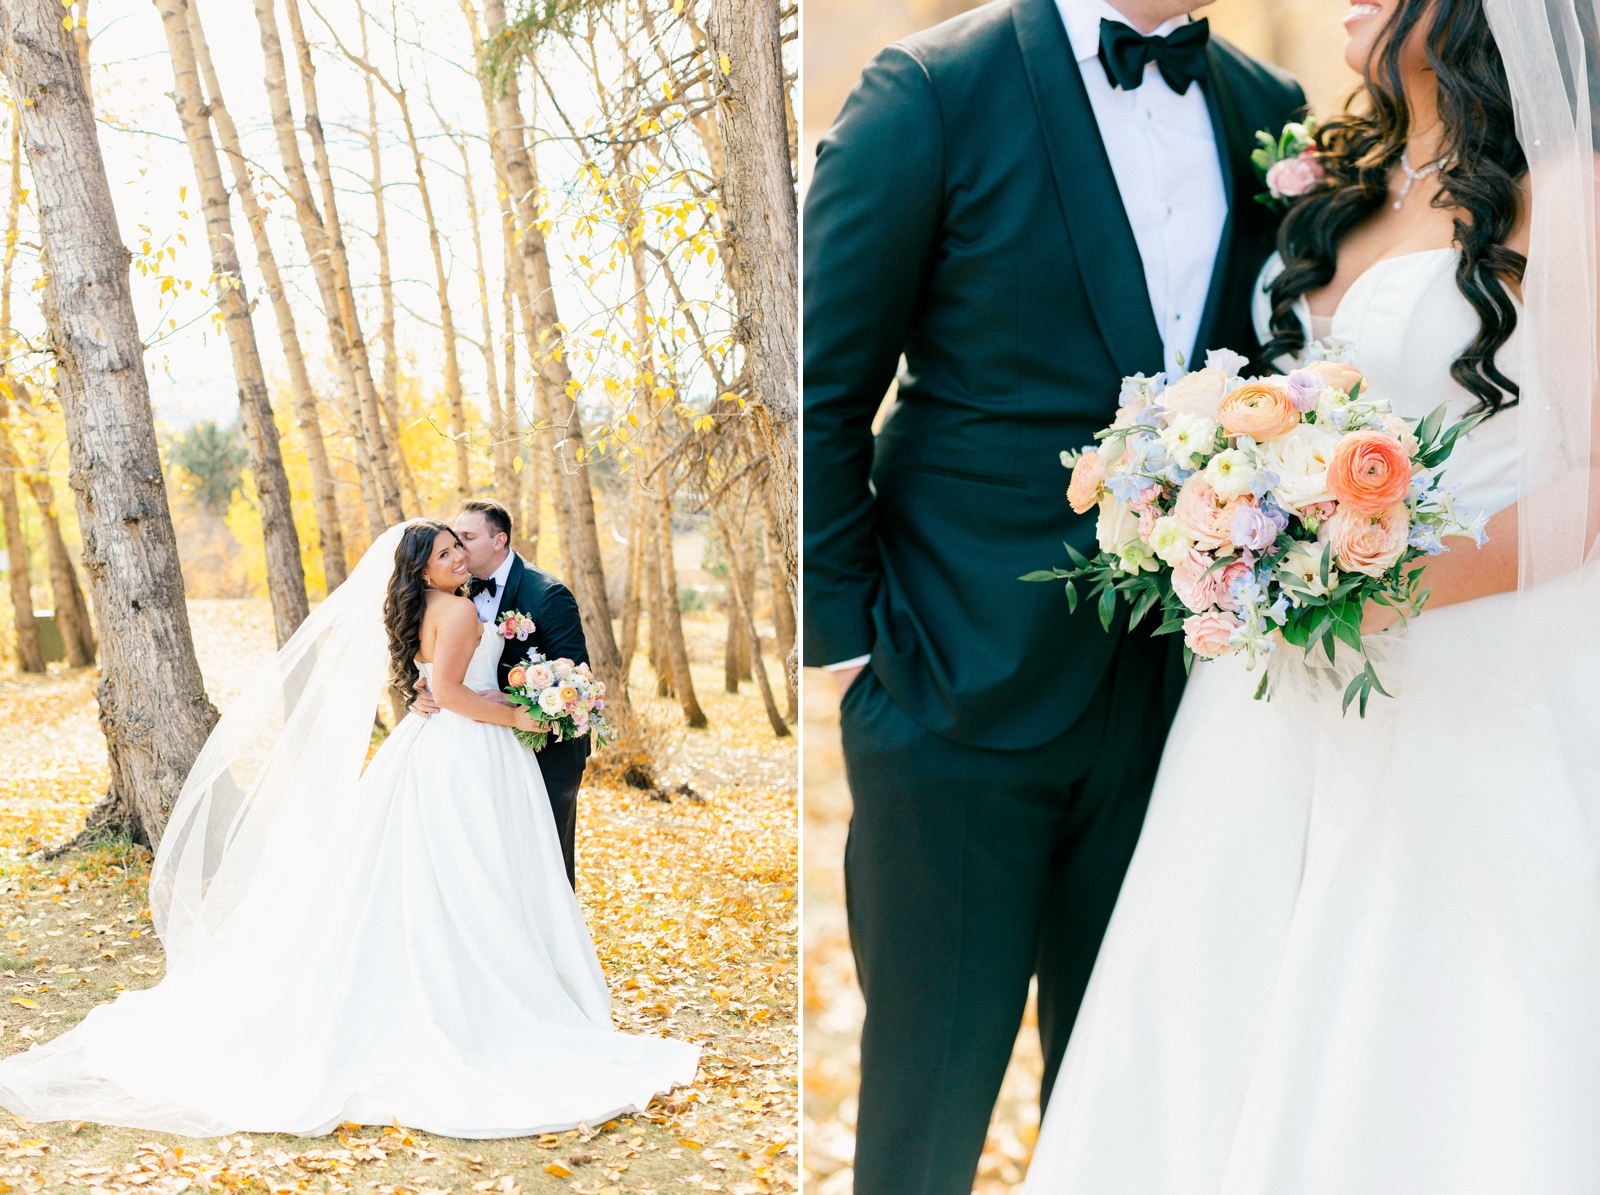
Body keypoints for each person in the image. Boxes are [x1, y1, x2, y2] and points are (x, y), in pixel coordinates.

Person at [1023, 0, 1600, 1188]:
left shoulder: (1571, 190)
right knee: (1213, 985)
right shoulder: (1338, 175)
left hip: (1469, 671)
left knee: (1413, 1011)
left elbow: (1592, 483)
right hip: (1267, 679)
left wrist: (1387, 581)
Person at [800, 0, 1303, 1188]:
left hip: (1184, 703)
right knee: (923, 1119)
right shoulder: (927, 89)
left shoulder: (1266, 112)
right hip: (950, 685)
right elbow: (820, 384)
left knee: (1121, 1111)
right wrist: (855, 651)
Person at [0, 521, 698, 1136]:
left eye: (461, 547)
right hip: (467, 754)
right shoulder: (455, 610)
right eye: (446, 550)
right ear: (423, 566)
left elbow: (436, 683)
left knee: (441, 876)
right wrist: (526, 715)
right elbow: (453, 691)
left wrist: (474, 694)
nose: (458, 557)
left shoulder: (427, 607)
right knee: (469, 874)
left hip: (443, 750)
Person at [413, 499, 589, 889]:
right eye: (453, 542)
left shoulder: (547, 594)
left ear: (499, 540)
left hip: (546, 751)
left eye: (467, 538)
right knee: (494, 865)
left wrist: (515, 705)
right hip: (478, 748)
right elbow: (432, 658)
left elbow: (578, 683)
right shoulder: (456, 592)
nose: (458, 549)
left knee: (547, 868)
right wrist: (416, 689)